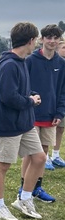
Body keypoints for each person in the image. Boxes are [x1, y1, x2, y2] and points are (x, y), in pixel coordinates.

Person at [0, 21, 46, 220]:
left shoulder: (22, 62)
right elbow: (8, 97)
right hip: (8, 124)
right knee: (3, 165)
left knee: (39, 158)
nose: (37, 45)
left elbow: (19, 91)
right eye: (36, 41)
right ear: (30, 41)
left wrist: (31, 95)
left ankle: (24, 199)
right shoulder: (9, 65)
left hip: (25, 122)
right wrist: (29, 101)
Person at [19, 24, 65, 202]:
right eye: (48, 37)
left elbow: (62, 90)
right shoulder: (30, 61)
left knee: (43, 153)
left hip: (51, 115)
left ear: (59, 40)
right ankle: (23, 188)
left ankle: (37, 188)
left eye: (55, 38)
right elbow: (24, 86)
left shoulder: (61, 64)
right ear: (41, 39)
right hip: (32, 113)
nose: (52, 41)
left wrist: (60, 112)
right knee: (31, 154)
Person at [50, 38, 65, 167]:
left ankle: (55, 154)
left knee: (60, 129)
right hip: (52, 101)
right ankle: (45, 157)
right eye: (64, 47)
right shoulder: (54, 63)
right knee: (48, 129)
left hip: (62, 102)